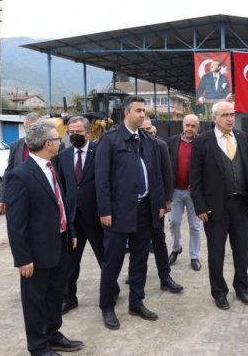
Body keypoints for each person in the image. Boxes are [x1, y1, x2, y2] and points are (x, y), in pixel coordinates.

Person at [4, 121, 83, 354]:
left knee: (54, 295)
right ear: (48, 144)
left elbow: (60, 204)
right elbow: (16, 223)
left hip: (58, 245)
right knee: (35, 301)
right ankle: (38, 346)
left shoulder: (51, 166)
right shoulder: (20, 176)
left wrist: (70, 232)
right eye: (58, 139)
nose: (61, 142)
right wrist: (23, 258)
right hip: (36, 254)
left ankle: (52, 334)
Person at [95, 96, 167, 330]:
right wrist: (105, 210)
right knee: (113, 261)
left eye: (144, 110)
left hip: (144, 209)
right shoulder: (110, 140)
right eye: (138, 110)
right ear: (126, 113)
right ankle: (107, 306)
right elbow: (102, 180)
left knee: (140, 258)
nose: (142, 114)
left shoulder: (147, 140)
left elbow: (155, 175)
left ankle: (136, 302)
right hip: (118, 212)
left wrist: (159, 203)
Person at [189, 101, 248, 310]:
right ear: (214, 118)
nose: (230, 119)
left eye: (232, 114)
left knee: (242, 250)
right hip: (215, 207)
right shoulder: (202, 142)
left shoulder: (241, 137)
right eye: (225, 115)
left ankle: (242, 287)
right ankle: (219, 292)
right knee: (216, 252)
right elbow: (195, 177)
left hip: (240, 204)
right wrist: (200, 206)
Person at [56, 116, 106, 315]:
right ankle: (68, 298)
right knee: (70, 261)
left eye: (79, 131)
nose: (75, 135)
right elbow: (61, 185)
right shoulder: (64, 155)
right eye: (72, 132)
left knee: (104, 257)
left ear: (88, 132)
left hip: (95, 216)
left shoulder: (99, 151)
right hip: (73, 218)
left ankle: (111, 290)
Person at [141, 117, 184, 293]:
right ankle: (136, 275)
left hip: (155, 204)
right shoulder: (129, 146)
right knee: (137, 243)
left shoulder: (160, 146)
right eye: (143, 129)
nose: (146, 132)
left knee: (159, 240)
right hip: (135, 205)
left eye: (148, 129)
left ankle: (165, 278)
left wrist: (167, 200)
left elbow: (168, 174)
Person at [166, 114, 204, 271]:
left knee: (195, 225)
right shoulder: (172, 142)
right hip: (175, 190)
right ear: (183, 125)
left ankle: (194, 256)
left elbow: (208, 167)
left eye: (193, 126)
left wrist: (197, 184)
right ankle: (176, 248)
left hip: (194, 193)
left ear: (198, 127)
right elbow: (166, 165)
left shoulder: (203, 142)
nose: (189, 128)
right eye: (187, 125)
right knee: (173, 221)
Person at [0, 112, 42, 214]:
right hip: (20, 199)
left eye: (36, 128)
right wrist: (1, 198)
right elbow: (8, 173)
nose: (33, 131)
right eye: (30, 128)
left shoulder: (49, 146)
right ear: (24, 127)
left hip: (42, 201)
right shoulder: (15, 146)